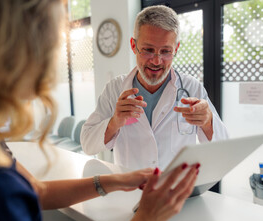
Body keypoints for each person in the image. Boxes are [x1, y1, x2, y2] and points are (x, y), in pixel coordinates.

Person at [0, 0, 200, 221]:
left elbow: (36, 191)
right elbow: (88, 142)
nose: (54, 62)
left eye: (165, 51)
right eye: (52, 42)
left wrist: (116, 179)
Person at [81, 5, 229, 170]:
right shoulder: (115, 89)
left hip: (175, 190)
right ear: (133, 45)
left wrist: (208, 121)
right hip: (131, 191)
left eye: (165, 51)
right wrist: (114, 122)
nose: (157, 61)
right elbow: (87, 145)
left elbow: (223, 149)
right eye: (148, 50)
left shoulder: (192, 88)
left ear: (176, 49)